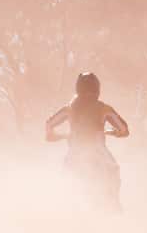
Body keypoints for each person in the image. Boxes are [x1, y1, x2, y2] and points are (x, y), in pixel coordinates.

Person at [45, 72, 130, 209]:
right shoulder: (104, 108)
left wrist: (56, 136)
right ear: (97, 89)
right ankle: (114, 206)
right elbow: (124, 129)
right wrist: (114, 133)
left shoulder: (69, 108)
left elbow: (49, 125)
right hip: (98, 151)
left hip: (74, 152)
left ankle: (62, 211)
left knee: (66, 180)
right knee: (113, 171)